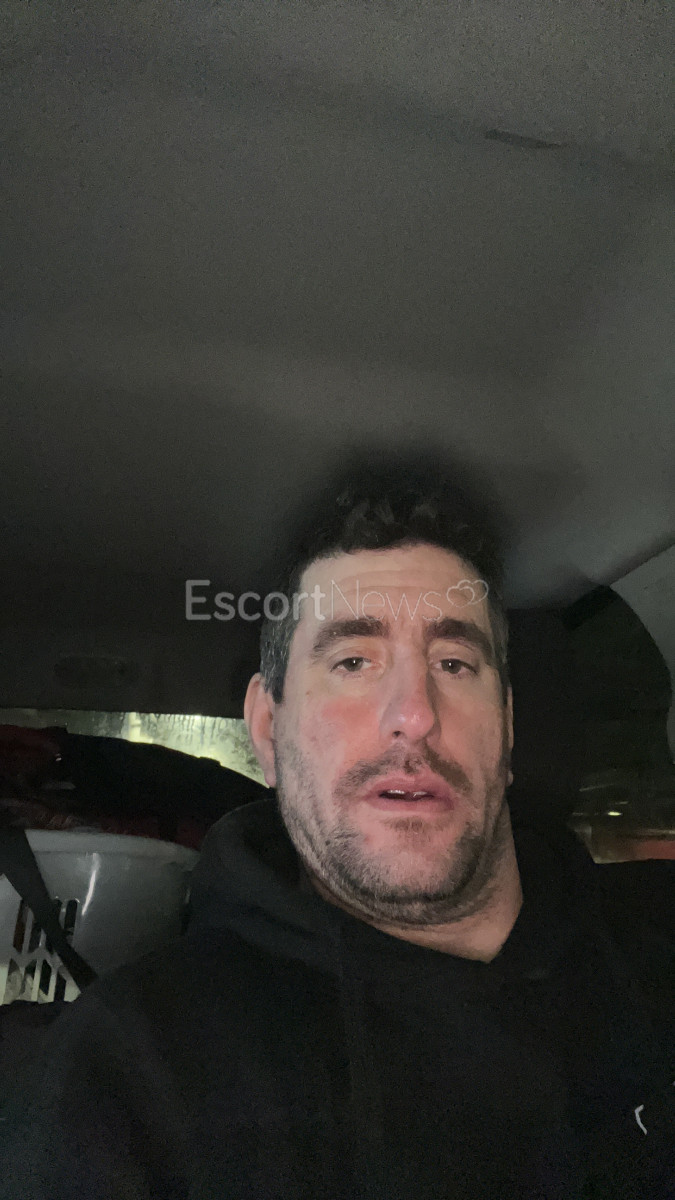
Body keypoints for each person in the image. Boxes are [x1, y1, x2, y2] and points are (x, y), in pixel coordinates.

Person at [0, 481, 673, 1200]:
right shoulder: (137, 1068)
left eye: (454, 663)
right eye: (353, 661)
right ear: (268, 730)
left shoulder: (655, 935)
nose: (413, 714)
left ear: (507, 728)